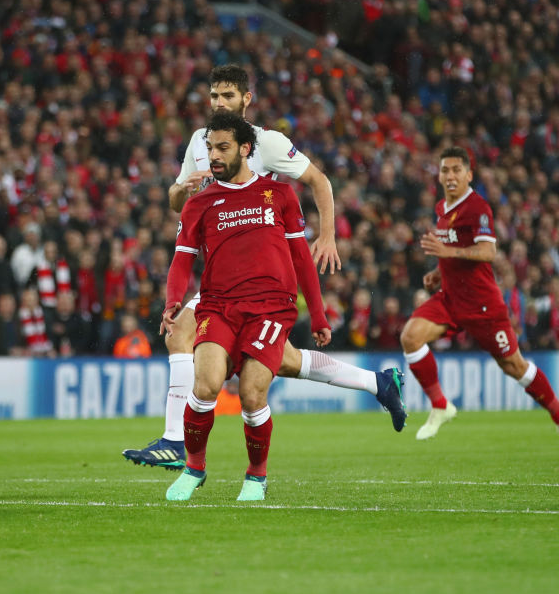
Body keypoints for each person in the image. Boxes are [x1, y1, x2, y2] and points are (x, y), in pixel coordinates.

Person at [124, 64, 406, 470]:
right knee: (286, 360)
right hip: (225, 275)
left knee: (180, 335)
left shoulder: (268, 143)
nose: (220, 103)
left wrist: (326, 236)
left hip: (265, 276)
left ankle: (173, 442)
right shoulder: (199, 143)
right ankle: (378, 382)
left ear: (246, 99)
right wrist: (181, 188)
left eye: (228, 96)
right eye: (214, 96)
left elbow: (319, 181)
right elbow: (177, 203)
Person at [161, 111, 330, 501]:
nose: (213, 156)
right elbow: (182, 258)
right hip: (219, 305)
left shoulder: (280, 195)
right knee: (204, 386)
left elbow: (302, 259)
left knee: (253, 394)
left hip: (270, 308)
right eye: (209, 148)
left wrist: (318, 314)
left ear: (245, 149)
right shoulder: (199, 204)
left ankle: (256, 476)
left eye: (222, 148)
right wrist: (173, 301)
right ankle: (194, 468)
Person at [400, 147, 559, 454]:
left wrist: (446, 254)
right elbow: (455, 252)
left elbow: (487, 252)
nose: (450, 175)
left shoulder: (477, 207)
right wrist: (437, 273)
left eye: (457, 170)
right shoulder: (442, 207)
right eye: (445, 170)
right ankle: (440, 405)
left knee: (514, 366)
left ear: (469, 174)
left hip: (483, 305)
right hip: (450, 299)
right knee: (411, 337)